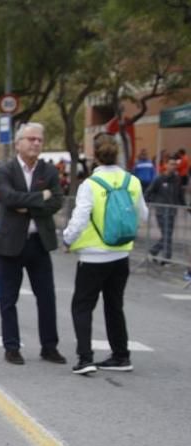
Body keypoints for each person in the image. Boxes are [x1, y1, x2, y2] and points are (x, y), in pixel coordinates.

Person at [63, 133, 148, 374]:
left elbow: (79, 219)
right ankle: (121, 356)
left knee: (82, 306)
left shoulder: (90, 185)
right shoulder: (132, 181)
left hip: (92, 256)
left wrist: (67, 239)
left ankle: (85, 358)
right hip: (121, 255)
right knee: (114, 306)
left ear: (95, 155)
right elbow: (144, 215)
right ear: (117, 153)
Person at [0, 122, 66, 365]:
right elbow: (7, 197)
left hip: (39, 242)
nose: (35, 143)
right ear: (18, 143)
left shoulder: (48, 171)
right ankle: (11, 347)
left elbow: (56, 201)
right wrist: (38, 198)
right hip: (10, 243)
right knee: (8, 299)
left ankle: (49, 347)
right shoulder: (4, 169)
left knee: (46, 298)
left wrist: (27, 204)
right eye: (31, 139)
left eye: (39, 140)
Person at [146, 155, 186, 263]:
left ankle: (154, 252)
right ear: (166, 165)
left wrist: (186, 207)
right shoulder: (159, 179)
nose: (173, 167)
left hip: (172, 212)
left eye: (175, 165)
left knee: (167, 235)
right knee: (167, 235)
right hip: (161, 211)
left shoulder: (177, 179)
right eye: (171, 164)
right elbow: (149, 192)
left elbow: (180, 195)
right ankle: (166, 259)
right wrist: (151, 203)